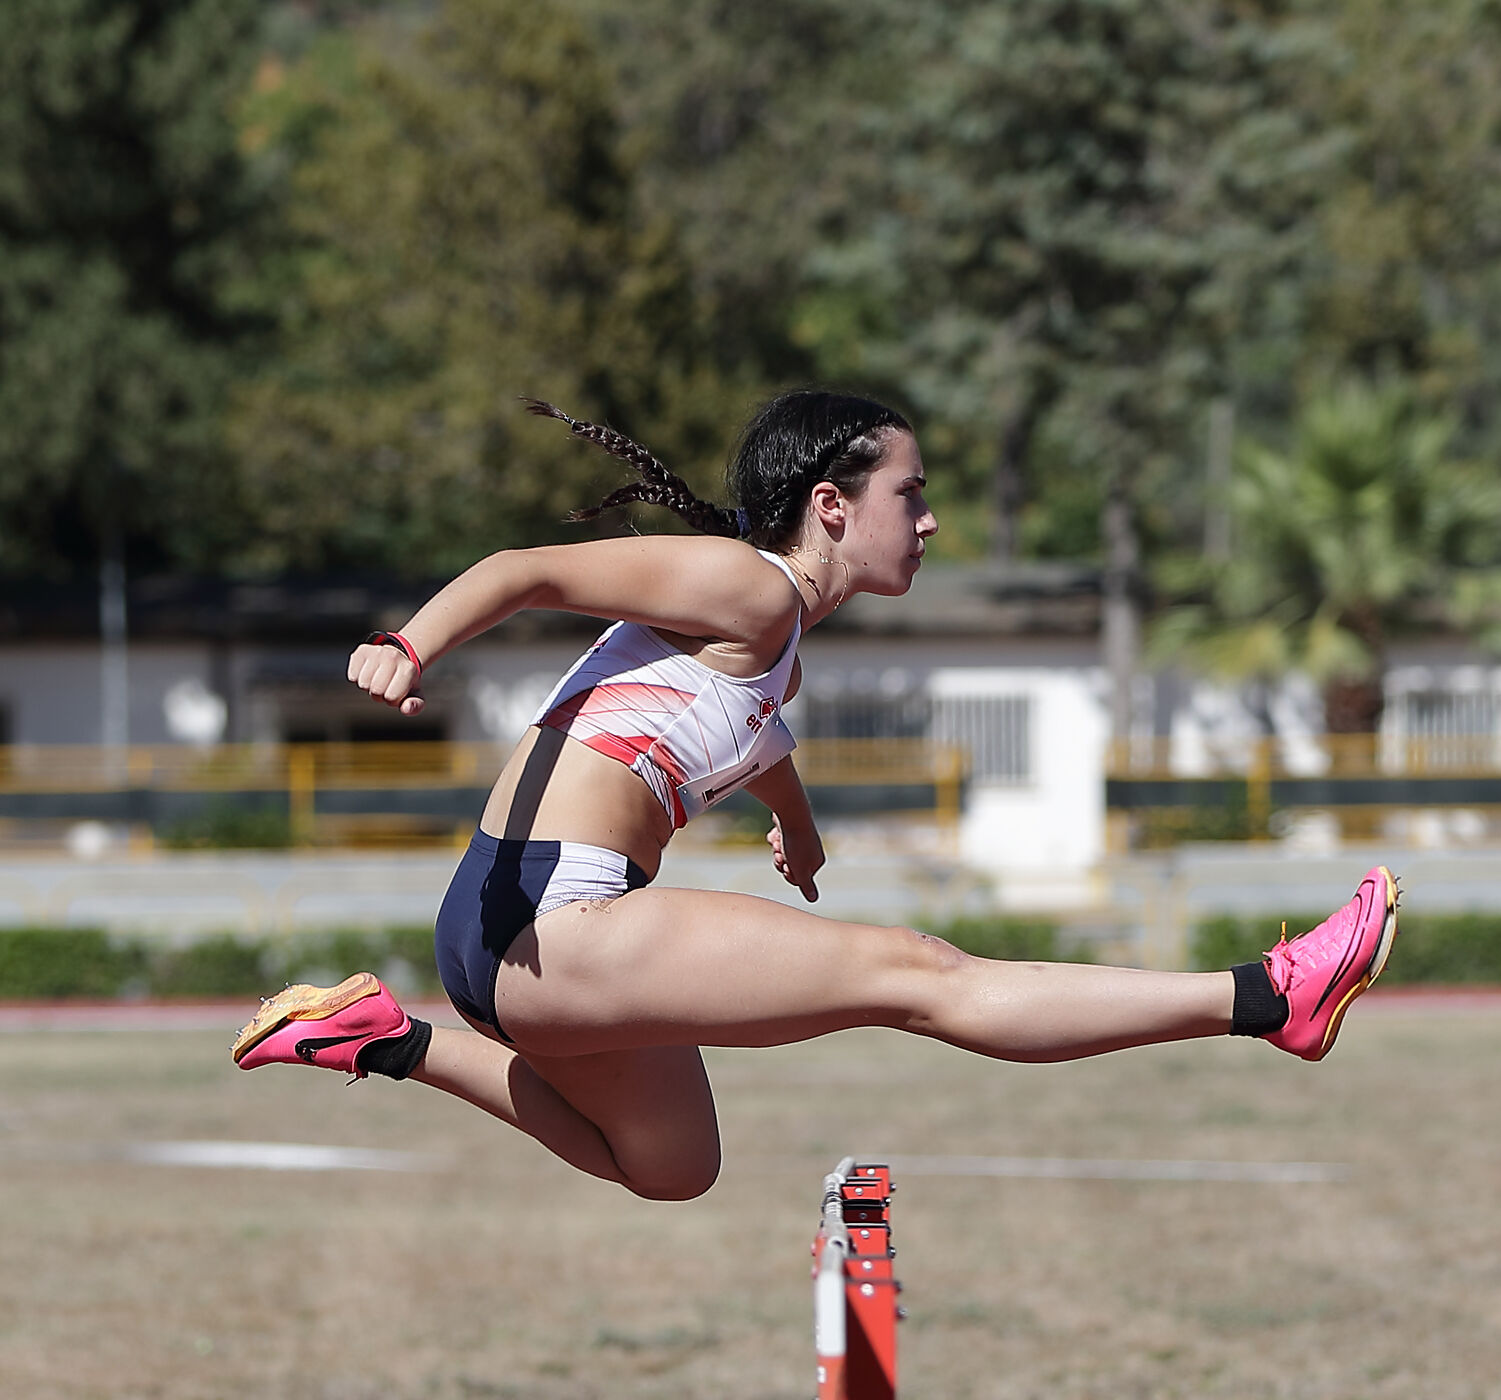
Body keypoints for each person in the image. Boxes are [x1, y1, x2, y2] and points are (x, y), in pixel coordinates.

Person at [231, 390, 1399, 1200]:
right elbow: (523, 571)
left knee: (672, 1166)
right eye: (911, 493)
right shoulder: (748, 585)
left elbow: (749, 728)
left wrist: (795, 822)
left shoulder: (768, 634)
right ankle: (1266, 996)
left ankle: (386, 1040)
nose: (930, 519)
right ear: (833, 506)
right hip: (557, 915)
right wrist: (408, 642)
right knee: (922, 976)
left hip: (503, 941)